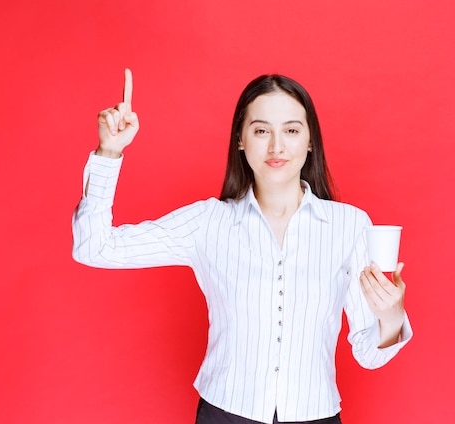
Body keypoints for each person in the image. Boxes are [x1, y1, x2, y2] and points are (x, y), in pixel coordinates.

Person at [72, 69, 412, 424]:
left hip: (317, 415)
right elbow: (95, 248)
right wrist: (108, 152)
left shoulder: (351, 226)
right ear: (240, 139)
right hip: (225, 413)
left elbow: (368, 353)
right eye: (262, 130)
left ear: (310, 141)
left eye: (292, 131)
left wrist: (391, 315)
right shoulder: (207, 223)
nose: (276, 146)